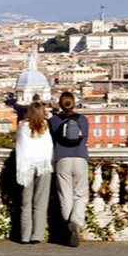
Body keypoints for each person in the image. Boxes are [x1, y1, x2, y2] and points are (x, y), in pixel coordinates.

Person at [49, 92, 89, 247]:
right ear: (74, 103)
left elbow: (52, 139)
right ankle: (76, 221)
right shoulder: (83, 120)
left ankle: (68, 226)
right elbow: (85, 138)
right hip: (80, 158)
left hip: (62, 159)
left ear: (60, 104)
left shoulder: (54, 120)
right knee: (80, 194)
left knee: (65, 196)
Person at [16, 101, 54, 244]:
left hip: (26, 167)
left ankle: (24, 236)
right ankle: (37, 235)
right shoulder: (46, 125)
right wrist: (48, 116)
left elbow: (21, 145)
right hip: (43, 165)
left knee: (26, 203)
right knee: (41, 203)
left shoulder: (22, 126)